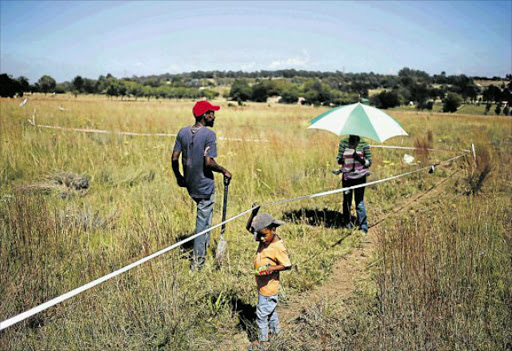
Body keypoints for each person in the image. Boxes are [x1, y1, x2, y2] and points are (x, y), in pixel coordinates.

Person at [172, 100, 232, 270]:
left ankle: (201, 256)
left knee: (204, 220)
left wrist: (179, 177)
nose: (214, 116)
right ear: (206, 115)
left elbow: (175, 158)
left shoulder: (183, 132)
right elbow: (208, 162)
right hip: (204, 184)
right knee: (202, 223)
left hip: (190, 183)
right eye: (212, 113)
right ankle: (197, 264)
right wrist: (223, 170)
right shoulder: (209, 135)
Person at [250, 213, 292, 350]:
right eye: (259, 235)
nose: (260, 238)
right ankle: (277, 334)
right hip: (263, 287)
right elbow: (250, 229)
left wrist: (270, 268)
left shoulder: (277, 246)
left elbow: (287, 265)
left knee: (261, 315)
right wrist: (253, 214)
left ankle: (263, 342)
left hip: (269, 289)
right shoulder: (265, 238)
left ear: (273, 230)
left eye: (263, 235)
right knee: (271, 312)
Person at [336, 134, 371, 233]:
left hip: (360, 178)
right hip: (347, 178)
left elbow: (369, 163)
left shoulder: (364, 144)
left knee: (359, 203)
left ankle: (363, 227)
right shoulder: (343, 143)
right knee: (347, 201)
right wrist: (343, 159)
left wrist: (360, 159)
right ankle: (347, 224)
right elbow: (338, 159)